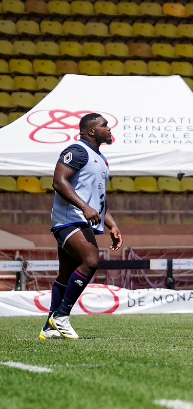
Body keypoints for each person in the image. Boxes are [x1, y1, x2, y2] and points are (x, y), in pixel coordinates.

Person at [42, 113, 123, 340]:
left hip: (79, 219)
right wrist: (84, 207)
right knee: (90, 260)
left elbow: (99, 200)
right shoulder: (77, 151)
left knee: (66, 275)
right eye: (104, 125)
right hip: (69, 219)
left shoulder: (101, 159)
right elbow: (59, 181)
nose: (109, 128)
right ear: (91, 131)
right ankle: (61, 316)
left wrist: (112, 226)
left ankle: (49, 327)